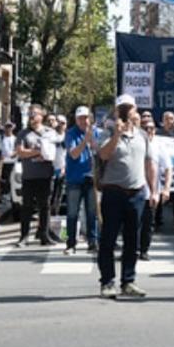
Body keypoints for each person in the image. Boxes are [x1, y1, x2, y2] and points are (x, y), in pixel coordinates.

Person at [97, 94, 159, 299]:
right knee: (108, 238)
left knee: (132, 241)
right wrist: (117, 134)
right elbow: (104, 155)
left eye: (129, 108)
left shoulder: (142, 135)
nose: (126, 112)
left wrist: (154, 190)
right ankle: (107, 282)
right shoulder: (107, 132)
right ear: (116, 112)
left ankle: (128, 281)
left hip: (137, 193)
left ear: (135, 110)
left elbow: (150, 163)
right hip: (114, 192)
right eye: (122, 109)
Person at [15, 105, 58, 247]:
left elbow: (52, 153)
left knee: (45, 206)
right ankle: (24, 236)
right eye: (30, 114)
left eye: (34, 114)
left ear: (41, 116)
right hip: (29, 176)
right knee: (26, 207)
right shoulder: (23, 134)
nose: (32, 117)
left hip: (45, 175)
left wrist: (38, 152)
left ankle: (44, 235)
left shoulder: (49, 132)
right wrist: (38, 152)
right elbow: (20, 152)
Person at [64, 106, 100, 254]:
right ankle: (71, 243)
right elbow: (74, 154)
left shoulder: (95, 132)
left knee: (92, 212)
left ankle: (93, 241)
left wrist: (92, 140)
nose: (83, 121)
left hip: (91, 177)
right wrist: (85, 140)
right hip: (75, 178)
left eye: (85, 118)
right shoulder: (70, 134)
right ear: (76, 119)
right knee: (72, 212)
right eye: (80, 118)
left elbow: (99, 152)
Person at [139, 120, 172, 260]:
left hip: (152, 191)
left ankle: (143, 250)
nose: (149, 131)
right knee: (132, 223)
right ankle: (132, 249)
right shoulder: (136, 143)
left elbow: (168, 168)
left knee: (148, 223)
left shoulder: (159, 145)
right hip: (134, 190)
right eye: (146, 128)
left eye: (152, 128)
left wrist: (166, 189)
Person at [0, 122, 17, 203]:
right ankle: (4, 194)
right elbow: (3, 151)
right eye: (7, 127)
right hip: (5, 162)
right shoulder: (3, 138)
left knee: (12, 178)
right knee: (5, 179)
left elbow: (17, 149)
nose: (8, 129)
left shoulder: (15, 139)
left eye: (10, 127)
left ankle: (10, 194)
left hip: (14, 161)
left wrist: (14, 153)